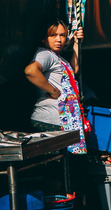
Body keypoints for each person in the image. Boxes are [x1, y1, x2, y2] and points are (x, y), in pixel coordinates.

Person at [25, 19, 88, 154]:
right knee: (56, 166)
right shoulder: (45, 54)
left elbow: (74, 70)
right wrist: (53, 91)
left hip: (58, 121)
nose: (58, 39)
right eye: (53, 35)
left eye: (62, 35)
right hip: (50, 121)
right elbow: (30, 71)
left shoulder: (58, 58)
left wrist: (77, 43)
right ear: (44, 38)